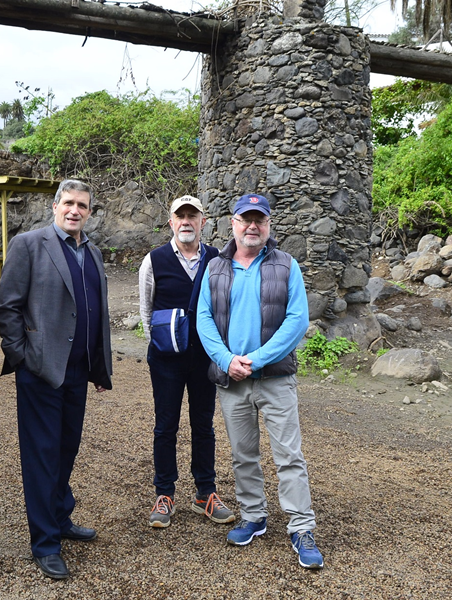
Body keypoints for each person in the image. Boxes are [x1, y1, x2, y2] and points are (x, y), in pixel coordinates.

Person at [196, 193, 325, 569]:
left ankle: (301, 527)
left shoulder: (286, 265)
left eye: (260, 220)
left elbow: (297, 320)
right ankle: (253, 516)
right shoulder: (216, 268)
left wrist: (255, 360)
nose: (252, 226)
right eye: (245, 219)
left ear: (269, 226)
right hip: (231, 379)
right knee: (243, 455)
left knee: (289, 457)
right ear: (232, 223)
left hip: (274, 379)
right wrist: (225, 359)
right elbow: (203, 318)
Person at [0, 179, 112, 580]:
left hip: (77, 372)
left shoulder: (92, 252)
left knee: (67, 450)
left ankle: (60, 517)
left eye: (82, 204)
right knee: (42, 457)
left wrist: (99, 366)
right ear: (55, 206)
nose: (74, 210)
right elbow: (7, 307)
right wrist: (23, 358)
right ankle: (44, 542)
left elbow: (95, 313)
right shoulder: (29, 244)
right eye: (68, 203)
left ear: (89, 212)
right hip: (40, 371)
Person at [138, 195, 234, 528]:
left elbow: (225, 304)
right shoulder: (154, 260)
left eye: (193, 216)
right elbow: (146, 311)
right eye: (180, 216)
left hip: (205, 358)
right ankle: (164, 493)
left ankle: (205, 493)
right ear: (171, 222)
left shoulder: (218, 258)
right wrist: (164, 343)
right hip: (166, 359)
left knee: (203, 425)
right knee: (165, 425)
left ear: (203, 222)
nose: (186, 221)